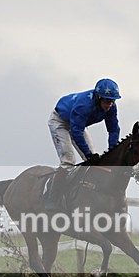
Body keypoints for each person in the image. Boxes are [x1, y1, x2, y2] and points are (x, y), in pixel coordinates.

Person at [45, 78, 122, 210]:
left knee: (95, 162)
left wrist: (112, 151)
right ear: (98, 97)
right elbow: (76, 132)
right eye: (106, 101)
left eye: (112, 101)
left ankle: (87, 193)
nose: (109, 104)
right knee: (68, 161)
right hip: (60, 122)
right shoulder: (84, 105)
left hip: (78, 124)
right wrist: (87, 154)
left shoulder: (111, 108)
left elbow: (113, 130)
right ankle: (53, 198)